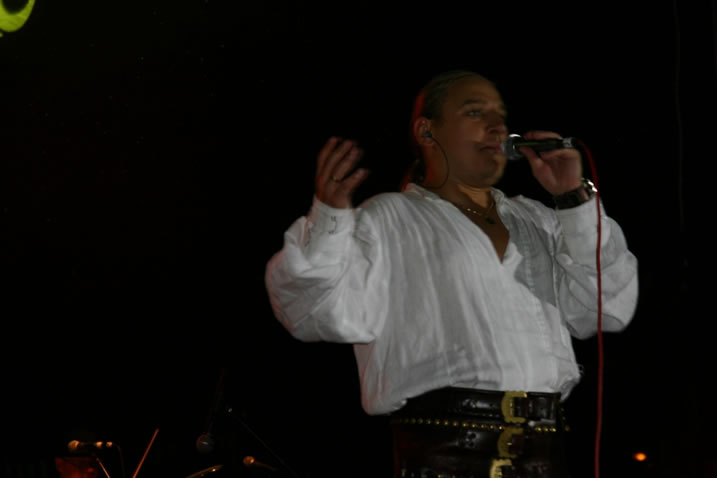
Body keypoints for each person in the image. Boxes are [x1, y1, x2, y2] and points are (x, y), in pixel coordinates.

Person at [264, 69, 638, 478]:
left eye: (501, 115)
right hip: (444, 452)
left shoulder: (538, 219)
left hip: (544, 451)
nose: (497, 126)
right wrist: (329, 219)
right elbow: (314, 311)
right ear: (427, 131)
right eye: (475, 112)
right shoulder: (389, 217)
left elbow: (606, 308)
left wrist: (573, 198)